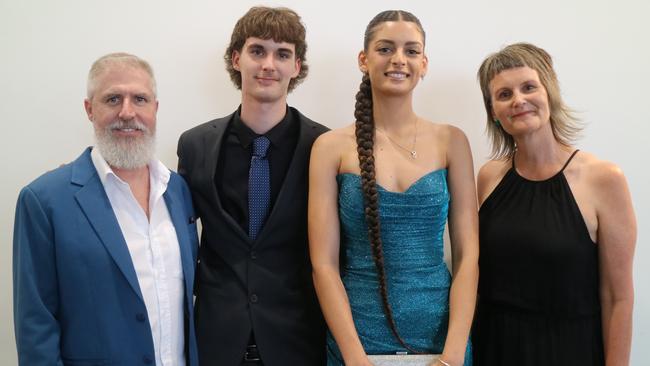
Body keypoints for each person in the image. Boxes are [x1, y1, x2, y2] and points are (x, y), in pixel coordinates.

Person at [309, 10, 478, 366]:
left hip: (441, 336)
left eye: (411, 51)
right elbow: (323, 264)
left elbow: (468, 257)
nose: (399, 59)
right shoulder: (330, 147)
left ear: (424, 63)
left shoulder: (453, 141)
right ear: (363, 59)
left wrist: (452, 354)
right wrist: (354, 357)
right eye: (386, 49)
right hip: (357, 338)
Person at [13, 53, 199, 366]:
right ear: (89, 109)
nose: (127, 113)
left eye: (139, 99)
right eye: (113, 99)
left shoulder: (177, 190)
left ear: (155, 108)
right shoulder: (44, 201)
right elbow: (36, 328)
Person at [177, 6, 328, 366]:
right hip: (215, 341)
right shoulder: (194, 145)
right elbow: (169, 227)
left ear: (297, 66)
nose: (268, 64)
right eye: (257, 50)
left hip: (299, 342)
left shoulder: (325, 146)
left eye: (283, 54)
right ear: (236, 59)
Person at [472, 43, 636, 365]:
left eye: (529, 87)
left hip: (569, 349)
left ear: (549, 93)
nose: (518, 100)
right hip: (494, 346)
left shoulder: (604, 178)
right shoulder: (488, 177)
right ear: (493, 112)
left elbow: (618, 299)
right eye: (504, 94)